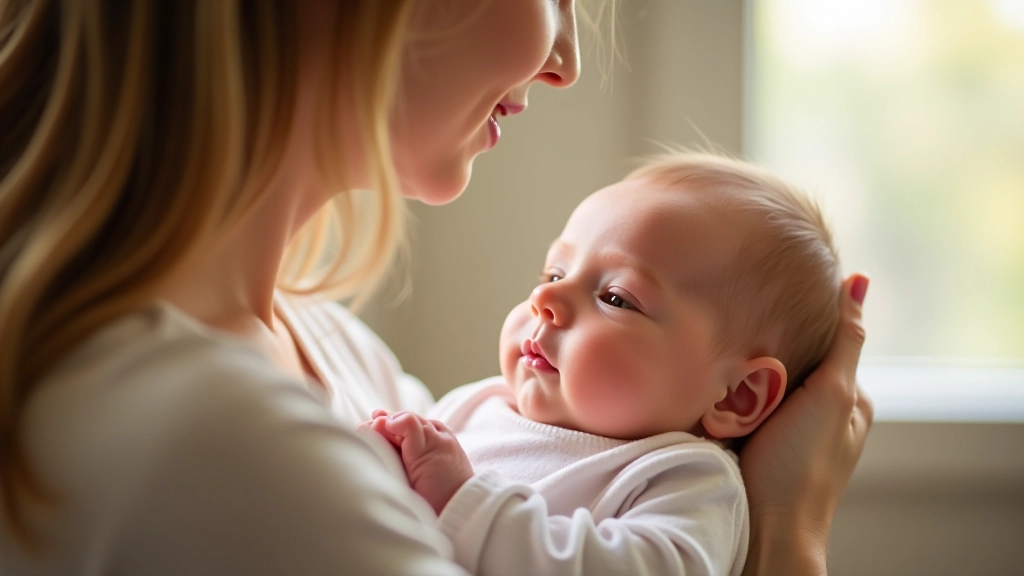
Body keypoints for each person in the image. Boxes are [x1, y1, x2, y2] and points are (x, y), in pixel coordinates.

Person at [0, 1, 873, 574]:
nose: (565, 58)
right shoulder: (229, 448)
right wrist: (794, 534)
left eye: (617, 297)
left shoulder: (338, 357)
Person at [358, 152, 844, 575]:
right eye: (555, 271)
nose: (543, 297)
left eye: (615, 297)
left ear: (737, 394)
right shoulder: (476, 406)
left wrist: (466, 499)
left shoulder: (685, 478)